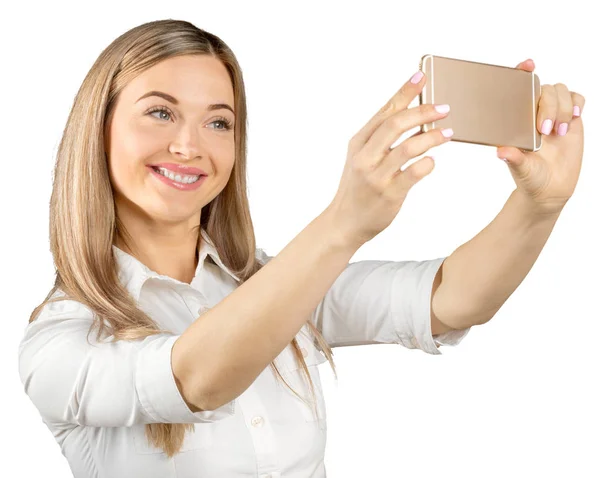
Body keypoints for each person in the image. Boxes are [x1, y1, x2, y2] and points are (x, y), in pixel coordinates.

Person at [17, 18, 584, 478]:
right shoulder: (59, 344)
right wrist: (343, 223)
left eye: (219, 123)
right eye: (160, 113)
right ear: (100, 128)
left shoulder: (271, 283)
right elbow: (195, 378)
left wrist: (539, 206)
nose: (189, 145)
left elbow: (451, 300)